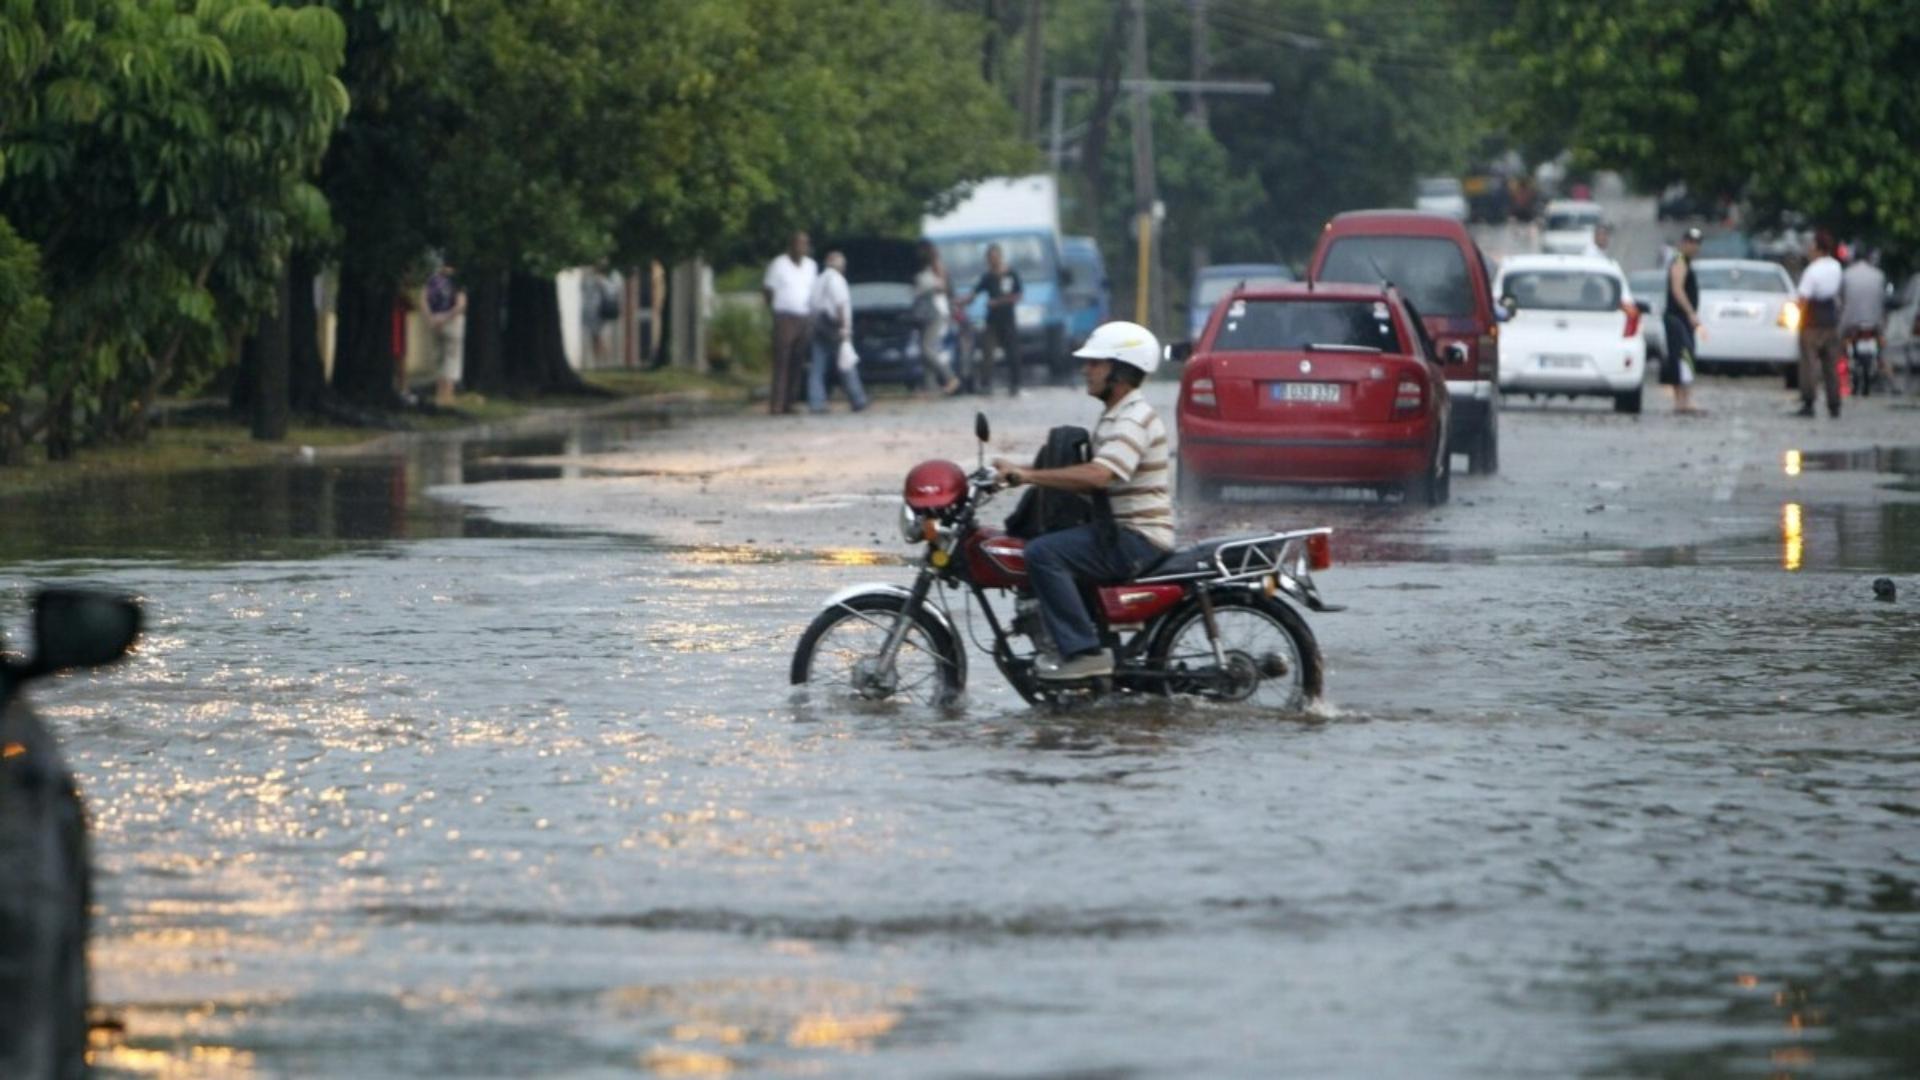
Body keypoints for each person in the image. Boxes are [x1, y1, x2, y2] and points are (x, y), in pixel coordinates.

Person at [991, 321, 1173, 680]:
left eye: (1095, 364)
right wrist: (1020, 473)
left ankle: (1083, 651)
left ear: (1119, 371)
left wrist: (1028, 476)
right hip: (1118, 532)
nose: (1085, 370)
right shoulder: (1116, 416)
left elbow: (1099, 475)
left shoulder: (1133, 419)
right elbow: (1089, 476)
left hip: (1136, 538)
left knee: (1043, 552)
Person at [805, 251, 868, 413]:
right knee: (846, 362)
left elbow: (812, 305)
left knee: (818, 367)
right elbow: (840, 304)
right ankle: (858, 398)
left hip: (819, 325)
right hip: (834, 326)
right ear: (839, 264)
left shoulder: (819, 279)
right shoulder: (836, 279)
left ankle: (816, 402)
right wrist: (845, 329)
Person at [957, 244, 1023, 397]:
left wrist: (998, 302)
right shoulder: (988, 277)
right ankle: (986, 384)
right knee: (987, 351)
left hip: (1007, 319)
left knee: (1013, 352)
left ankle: (1015, 383)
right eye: (989, 258)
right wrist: (962, 302)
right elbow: (975, 293)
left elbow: (1017, 295)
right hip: (992, 320)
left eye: (994, 257)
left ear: (999, 257)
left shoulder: (1011, 274)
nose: (991, 261)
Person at [763, 232, 817, 414]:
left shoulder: (811, 266)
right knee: (782, 360)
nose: (802, 247)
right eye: (798, 244)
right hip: (784, 316)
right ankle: (777, 403)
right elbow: (768, 290)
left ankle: (790, 402)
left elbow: (813, 291)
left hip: (804, 316)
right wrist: (774, 310)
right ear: (791, 245)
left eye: (805, 244)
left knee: (798, 361)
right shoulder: (779, 264)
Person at [1794, 229, 1845, 417]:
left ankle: (1808, 402)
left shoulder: (1812, 270)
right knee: (1831, 365)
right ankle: (1834, 404)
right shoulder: (1836, 267)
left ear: (1817, 248)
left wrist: (1797, 316)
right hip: (1830, 320)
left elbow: (1803, 299)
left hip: (1812, 321)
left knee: (1809, 363)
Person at [1662, 227, 1705, 415]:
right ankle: (1682, 399)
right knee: (1683, 355)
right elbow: (1677, 289)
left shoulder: (1686, 262)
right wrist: (1690, 313)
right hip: (1677, 317)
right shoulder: (1679, 261)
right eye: (1690, 242)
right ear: (1683, 243)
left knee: (1683, 355)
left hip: (1681, 318)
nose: (1694, 247)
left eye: (1697, 243)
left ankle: (1682, 399)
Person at [1840, 246, 1892, 391]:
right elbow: (1883, 301)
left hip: (1851, 322)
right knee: (1883, 347)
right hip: (1875, 323)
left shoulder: (1847, 274)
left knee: (1840, 344)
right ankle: (1882, 366)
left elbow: (1841, 299)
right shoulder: (1879, 275)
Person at [913, 241, 961, 395]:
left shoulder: (935, 267)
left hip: (936, 311)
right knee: (927, 350)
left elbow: (943, 286)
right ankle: (930, 386)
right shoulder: (928, 267)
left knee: (928, 349)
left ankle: (950, 377)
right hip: (929, 312)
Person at [425, 262, 466, 406]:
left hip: (434, 322)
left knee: (438, 359)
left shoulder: (432, 280)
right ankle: (448, 397)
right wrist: (446, 317)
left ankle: (438, 396)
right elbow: (460, 305)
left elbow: (424, 300)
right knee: (452, 360)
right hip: (452, 322)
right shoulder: (457, 281)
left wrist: (432, 317)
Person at [580, 262, 621, 368]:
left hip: (602, 312)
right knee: (594, 337)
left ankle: (605, 361)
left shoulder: (610, 277)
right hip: (591, 312)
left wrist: (601, 282)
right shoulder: (589, 278)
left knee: (602, 337)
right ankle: (596, 362)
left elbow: (612, 292)